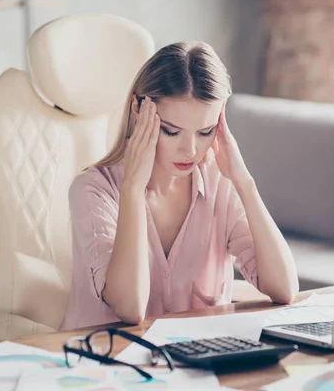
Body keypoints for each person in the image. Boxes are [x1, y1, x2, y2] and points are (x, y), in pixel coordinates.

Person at [61, 42, 298, 330]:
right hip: (108, 362)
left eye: (205, 132)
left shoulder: (219, 185)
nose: (190, 150)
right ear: (138, 109)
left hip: (199, 362)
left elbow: (285, 288)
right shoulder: (93, 190)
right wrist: (133, 191)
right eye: (171, 132)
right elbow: (130, 308)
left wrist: (244, 182)